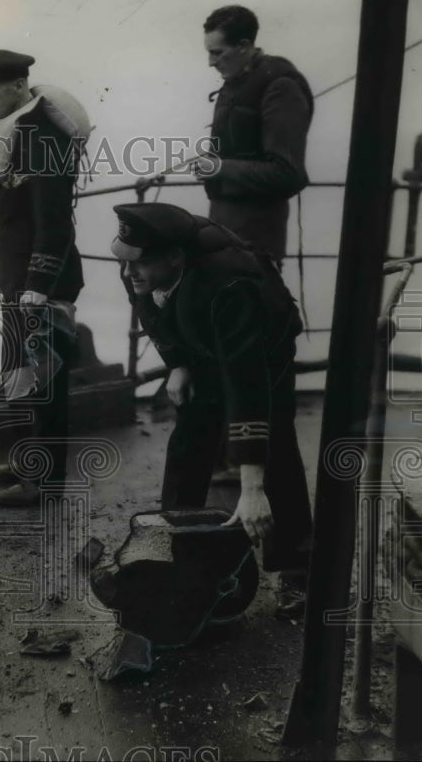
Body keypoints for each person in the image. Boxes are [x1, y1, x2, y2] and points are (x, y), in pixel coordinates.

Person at [110, 201, 313, 617]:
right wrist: (178, 363)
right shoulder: (138, 265)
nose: (130, 273)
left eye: (140, 264)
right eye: (127, 261)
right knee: (189, 438)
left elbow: (246, 384)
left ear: (174, 258)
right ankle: (166, 542)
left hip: (262, 345)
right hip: (201, 336)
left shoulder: (231, 286)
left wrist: (251, 489)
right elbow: (150, 312)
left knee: (274, 443)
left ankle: (297, 567)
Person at [0, 49, 85, 507]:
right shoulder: (20, 129)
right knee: (21, 373)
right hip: (18, 278)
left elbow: (55, 219)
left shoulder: (42, 135)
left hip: (38, 282)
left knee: (44, 382)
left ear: (18, 85)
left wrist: (38, 286)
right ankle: (29, 463)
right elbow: (16, 205)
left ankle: (45, 483)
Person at [196, 5, 314, 263]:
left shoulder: (281, 87)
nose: (211, 62)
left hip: (254, 247)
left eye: (218, 53)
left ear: (243, 45)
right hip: (222, 237)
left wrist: (218, 168)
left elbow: (288, 173)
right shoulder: (237, 82)